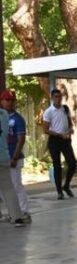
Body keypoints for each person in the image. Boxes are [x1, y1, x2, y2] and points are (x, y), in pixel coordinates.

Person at [0, 90, 30, 222]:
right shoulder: (3, 117)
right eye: (7, 100)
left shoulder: (17, 119)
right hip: (5, 157)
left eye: (12, 100)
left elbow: (21, 139)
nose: (10, 103)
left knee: (16, 186)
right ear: (2, 101)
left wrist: (15, 157)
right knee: (5, 188)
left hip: (14, 158)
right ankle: (13, 212)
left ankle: (24, 211)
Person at [43, 88, 76, 200]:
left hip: (65, 140)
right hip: (55, 140)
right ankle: (59, 191)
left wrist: (69, 131)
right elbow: (45, 129)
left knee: (72, 163)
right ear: (52, 98)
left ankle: (66, 185)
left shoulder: (65, 109)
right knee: (57, 165)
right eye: (56, 97)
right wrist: (59, 134)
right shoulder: (48, 112)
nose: (58, 99)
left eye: (60, 97)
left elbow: (70, 124)